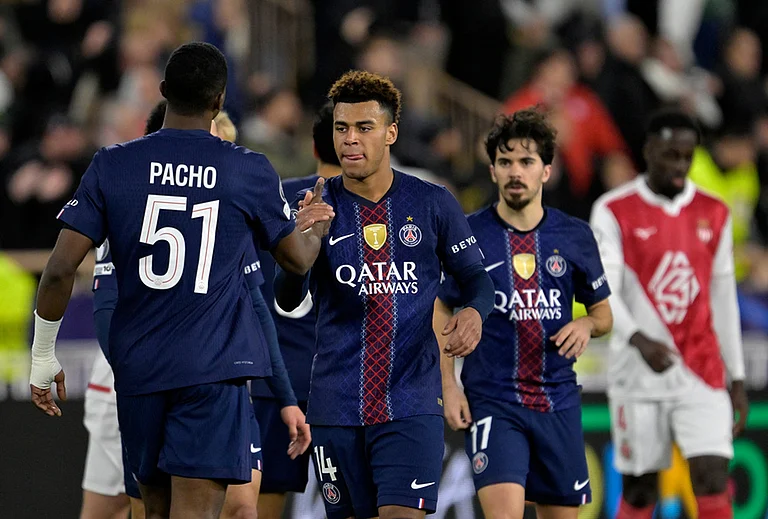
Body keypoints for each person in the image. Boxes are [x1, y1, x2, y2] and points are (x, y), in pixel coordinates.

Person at [29, 42, 333, 519]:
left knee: (152, 512)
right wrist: (313, 228)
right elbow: (295, 262)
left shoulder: (113, 163)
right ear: (220, 101)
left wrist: (43, 354)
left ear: (164, 90)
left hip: (138, 370)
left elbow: (60, 268)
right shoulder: (248, 168)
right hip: (213, 369)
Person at [275, 70, 495, 519]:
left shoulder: (433, 203)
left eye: (364, 128)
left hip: (411, 403)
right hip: (336, 404)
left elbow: (477, 280)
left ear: (391, 132)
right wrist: (304, 246)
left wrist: (474, 312)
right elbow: (287, 299)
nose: (350, 140)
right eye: (341, 129)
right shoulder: (315, 206)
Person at [435, 108, 613, 519]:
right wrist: (449, 383)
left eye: (527, 161)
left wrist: (587, 322)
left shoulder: (575, 236)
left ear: (546, 171)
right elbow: (441, 305)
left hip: (558, 400)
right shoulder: (469, 234)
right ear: (493, 171)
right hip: (494, 400)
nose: (516, 171)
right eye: (506, 162)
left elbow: (604, 317)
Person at [589, 109, 749, 519]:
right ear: (647, 151)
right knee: (642, 492)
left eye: (686, 156)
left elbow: (723, 296)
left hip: (701, 368)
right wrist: (640, 340)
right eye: (669, 156)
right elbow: (602, 287)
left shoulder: (715, 211)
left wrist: (737, 375)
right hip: (638, 373)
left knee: (713, 478)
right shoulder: (613, 210)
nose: (679, 166)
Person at [251, 101, 342, 519]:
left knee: (259, 504)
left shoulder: (273, 198)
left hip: (276, 380)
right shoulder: (376, 209)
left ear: (312, 145)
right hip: (345, 384)